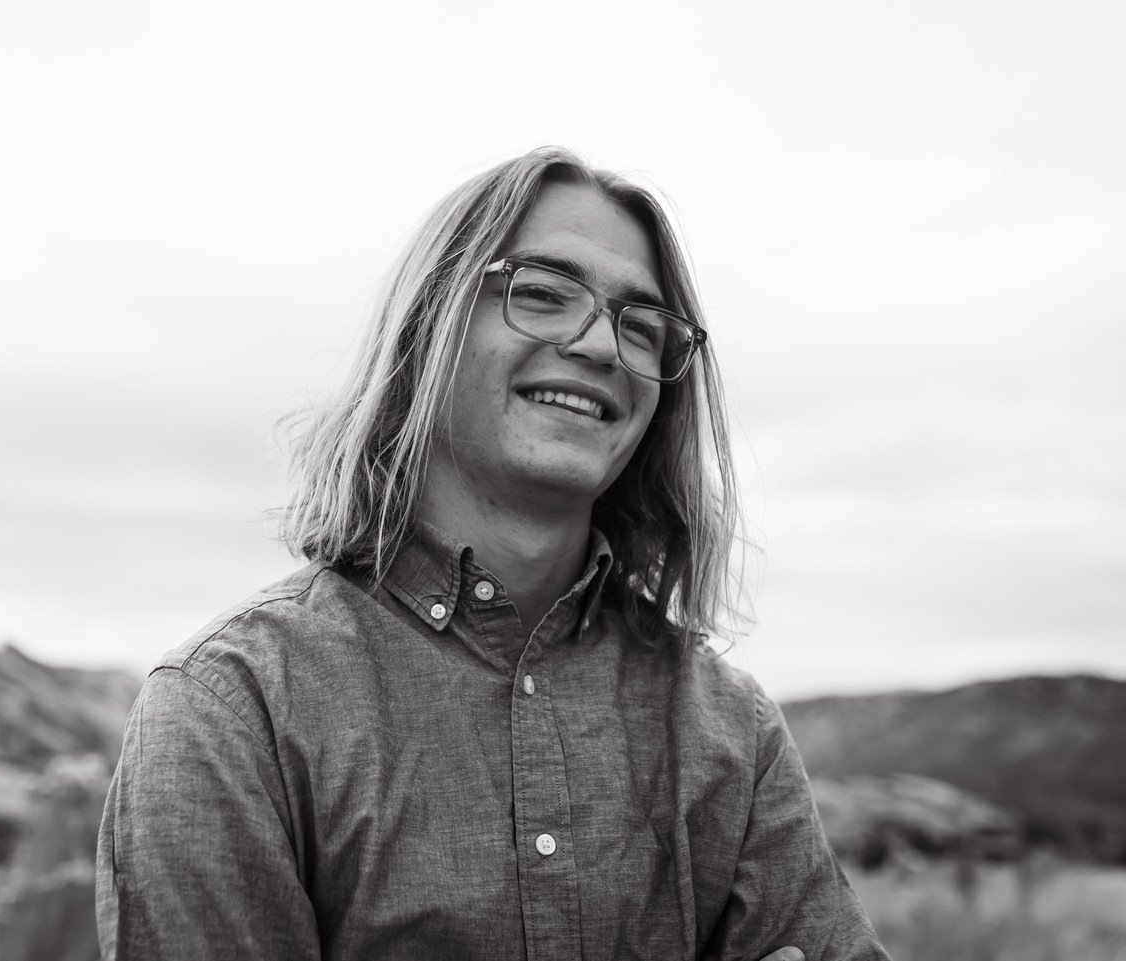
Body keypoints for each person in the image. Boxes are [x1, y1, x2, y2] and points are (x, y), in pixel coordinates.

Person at [95, 147, 889, 960]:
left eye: (642, 326)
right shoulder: (234, 709)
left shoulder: (730, 729)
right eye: (543, 293)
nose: (602, 347)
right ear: (430, 322)